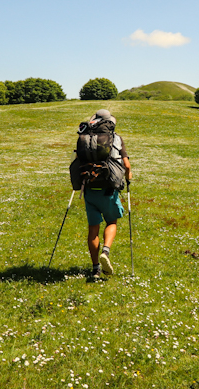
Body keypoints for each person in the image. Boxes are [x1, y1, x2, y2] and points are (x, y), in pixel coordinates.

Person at [79, 109, 132, 279]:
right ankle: (106, 252)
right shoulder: (116, 138)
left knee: (93, 229)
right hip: (109, 189)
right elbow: (127, 165)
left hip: (89, 188)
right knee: (112, 221)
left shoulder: (85, 137)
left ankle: (95, 269)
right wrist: (128, 176)